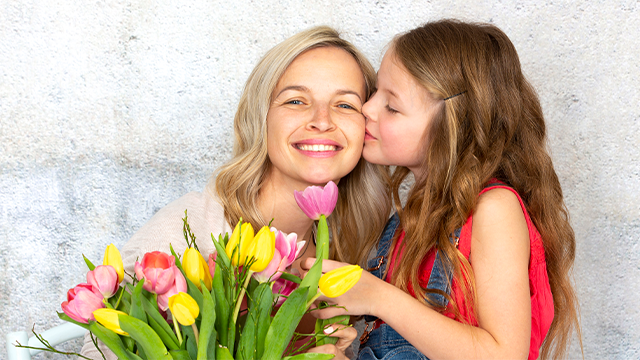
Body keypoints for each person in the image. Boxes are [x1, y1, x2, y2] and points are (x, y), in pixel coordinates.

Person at [80, 25, 391, 360]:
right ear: (261, 118)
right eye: (296, 100)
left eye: (345, 105)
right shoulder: (192, 229)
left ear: (367, 126)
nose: (321, 120)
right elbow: (100, 349)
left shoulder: (360, 249)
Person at [308, 19, 582, 360]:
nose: (367, 108)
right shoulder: (402, 225)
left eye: (391, 106)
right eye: (376, 92)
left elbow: (502, 354)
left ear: (452, 128)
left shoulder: (493, 210)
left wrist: (376, 296)